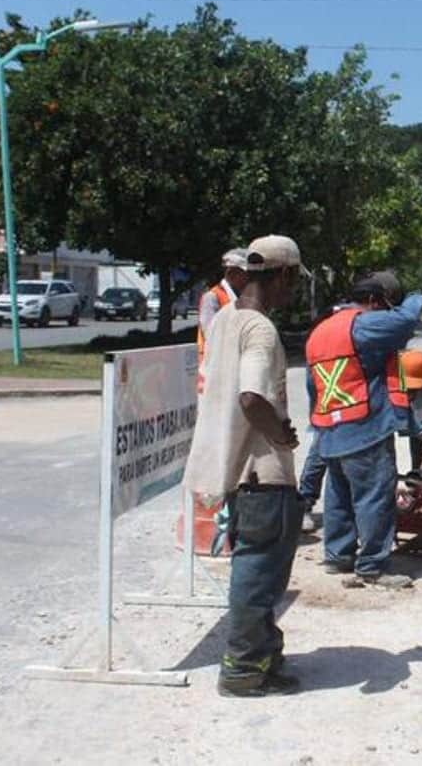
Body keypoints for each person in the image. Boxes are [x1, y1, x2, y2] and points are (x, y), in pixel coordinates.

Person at [180, 234, 305, 698]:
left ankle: (264, 656)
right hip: (261, 474)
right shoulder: (259, 329)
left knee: (260, 571)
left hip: (237, 473)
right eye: (293, 282)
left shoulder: (224, 320)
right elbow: (251, 397)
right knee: (258, 575)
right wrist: (280, 433)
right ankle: (242, 667)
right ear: (286, 275)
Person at [303, 270, 422, 588]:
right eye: (385, 306)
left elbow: (311, 385)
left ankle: (338, 556)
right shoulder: (362, 323)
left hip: (331, 427)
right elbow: (406, 323)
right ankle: (372, 565)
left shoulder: (320, 331)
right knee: (374, 496)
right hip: (364, 426)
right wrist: (416, 297)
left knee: (339, 495)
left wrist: (321, 423)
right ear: (372, 301)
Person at [196, 248, 249, 393]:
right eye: (245, 274)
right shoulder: (212, 297)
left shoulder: (241, 298)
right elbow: (211, 334)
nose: (249, 278)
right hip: (213, 368)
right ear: (231, 273)